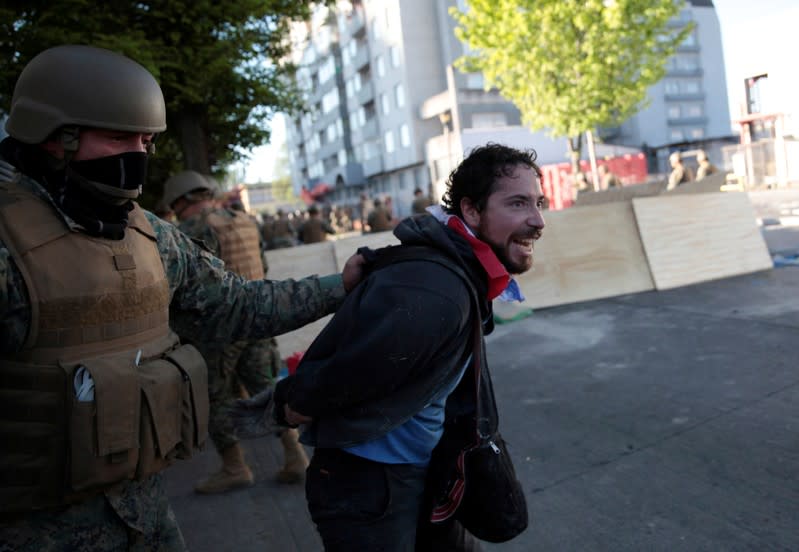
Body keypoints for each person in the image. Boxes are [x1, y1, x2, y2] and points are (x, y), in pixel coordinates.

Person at [0, 44, 363, 550]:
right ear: (56, 137)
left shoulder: (149, 234)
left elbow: (235, 305)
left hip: (147, 519)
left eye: (146, 139)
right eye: (119, 137)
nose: (139, 154)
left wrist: (343, 284)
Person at [238, 143, 546, 550]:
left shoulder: (456, 271)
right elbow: (356, 369)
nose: (538, 219)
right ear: (471, 211)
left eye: (539, 202)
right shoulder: (438, 287)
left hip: (419, 471)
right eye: (518, 203)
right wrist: (290, 404)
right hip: (371, 486)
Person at [160, 170, 308, 493]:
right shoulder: (244, 221)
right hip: (257, 319)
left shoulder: (188, 230)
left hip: (218, 331)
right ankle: (295, 455)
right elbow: (263, 269)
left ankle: (234, 467)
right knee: (267, 391)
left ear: (182, 201)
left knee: (215, 397)